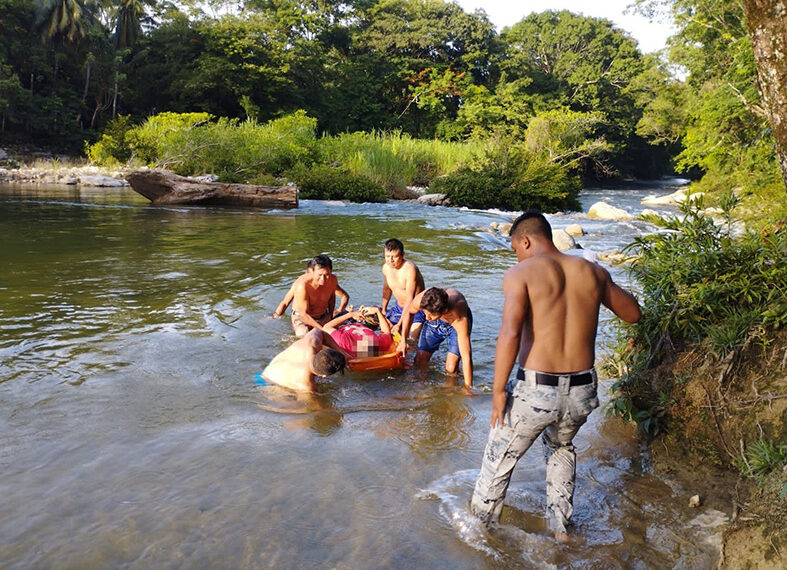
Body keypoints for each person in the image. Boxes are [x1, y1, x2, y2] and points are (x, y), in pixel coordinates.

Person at [470, 211, 642, 542]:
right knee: (561, 447)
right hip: (581, 390)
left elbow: (509, 334)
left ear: (525, 240)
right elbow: (633, 314)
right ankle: (560, 532)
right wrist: (603, 282)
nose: (517, 256)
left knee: (499, 459)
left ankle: (478, 534)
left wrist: (497, 393)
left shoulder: (521, 273)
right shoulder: (593, 271)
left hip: (537, 390)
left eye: (515, 249)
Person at [398, 287, 473, 388]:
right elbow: (409, 312)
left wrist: (468, 388)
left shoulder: (458, 314)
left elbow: (466, 355)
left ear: (443, 311)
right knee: (420, 360)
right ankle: (423, 389)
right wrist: (403, 340)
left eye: (430, 315)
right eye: (425, 313)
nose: (426, 318)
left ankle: (450, 390)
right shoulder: (422, 300)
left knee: (451, 368)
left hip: (454, 324)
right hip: (435, 323)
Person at [259, 327, 348, 392]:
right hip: (269, 383)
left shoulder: (311, 343)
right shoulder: (307, 385)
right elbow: (316, 411)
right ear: (324, 376)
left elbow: (318, 330)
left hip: (266, 372)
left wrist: (343, 353)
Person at [281, 255, 346, 337]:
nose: (323, 279)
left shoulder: (332, 280)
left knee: (338, 333)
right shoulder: (303, 285)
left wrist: (331, 316)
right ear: (312, 271)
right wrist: (323, 330)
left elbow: (332, 298)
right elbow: (303, 314)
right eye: (320, 275)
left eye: (327, 274)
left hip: (322, 316)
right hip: (302, 319)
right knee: (304, 337)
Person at [381, 238, 426, 340]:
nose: (390, 260)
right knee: (384, 334)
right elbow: (387, 290)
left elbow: (410, 299)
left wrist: (400, 324)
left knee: (411, 340)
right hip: (398, 308)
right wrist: (383, 310)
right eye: (387, 256)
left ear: (402, 255)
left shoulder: (410, 269)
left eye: (394, 257)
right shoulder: (385, 268)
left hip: (416, 310)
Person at [273, 265, 349, 319]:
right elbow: (285, 303)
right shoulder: (300, 285)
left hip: (322, 316)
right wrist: (275, 316)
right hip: (304, 318)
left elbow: (344, 296)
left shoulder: (327, 282)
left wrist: (338, 311)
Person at [322, 306, 394, 359]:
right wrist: (378, 311)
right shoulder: (377, 343)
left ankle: (352, 311)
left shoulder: (343, 342)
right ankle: (359, 312)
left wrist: (350, 314)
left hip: (348, 325)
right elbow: (386, 332)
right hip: (364, 327)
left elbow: (326, 327)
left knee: (340, 314)